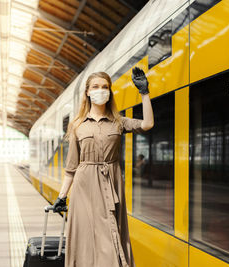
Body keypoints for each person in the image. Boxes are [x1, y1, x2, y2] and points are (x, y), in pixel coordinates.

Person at [52, 67, 154, 267]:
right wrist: (61, 197)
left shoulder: (119, 122)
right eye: (96, 87)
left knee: (110, 238)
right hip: (84, 187)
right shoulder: (77, 125)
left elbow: (148, 124)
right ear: (88, 92)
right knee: (86, 240)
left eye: (105, 87)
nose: (101, 90)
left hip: (111, 183)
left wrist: (144, 93)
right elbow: (72, 167)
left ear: (110, 92)